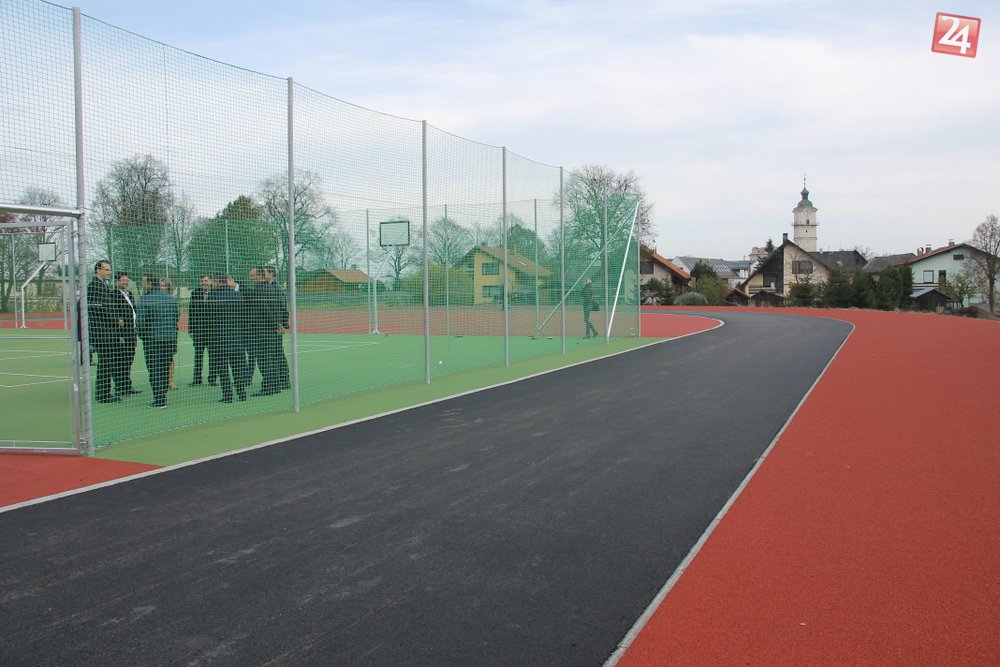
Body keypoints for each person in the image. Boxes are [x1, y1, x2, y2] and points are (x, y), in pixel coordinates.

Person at [136, 274, 179, 409]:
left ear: (149, 284)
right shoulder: (170, 298)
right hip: (169, 339)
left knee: (154, 369)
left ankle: (159, 399)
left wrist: (143, 336)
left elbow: (140, 322)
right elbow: (175, 318)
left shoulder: (145, 299)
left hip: (153, 340)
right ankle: (162, 395)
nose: (142, 284)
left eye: (143, 282)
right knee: (164, 368)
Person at [207, 273, 248, 403]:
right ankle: (241, 393)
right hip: (236, 337)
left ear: (217, 281)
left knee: (222, 369)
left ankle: (227, 395)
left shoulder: (212, 296)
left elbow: (209, 318)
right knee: (237, 368)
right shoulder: (237, 295)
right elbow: (243, 316)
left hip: (219, 338)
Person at [86, 259, 122, 403]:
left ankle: (105, 393)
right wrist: (115, 320)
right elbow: (98, 309)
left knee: (108, 363)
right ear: (98, 270)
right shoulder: (94, 286)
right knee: (105, 363)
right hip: (102, 332)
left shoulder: (103, 285)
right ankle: (103, 395)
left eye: (110, 269)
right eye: (107, 270)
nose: (109, 272)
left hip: (106, 331)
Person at [110, 271, 141, 395]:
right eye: (123, 280)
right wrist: (119, 335)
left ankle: (127, 386)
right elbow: (114, 315)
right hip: (122, 334)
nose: (125, 282)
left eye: (127, 281)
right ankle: (120, 387)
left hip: (131, 332)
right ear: (117, 281)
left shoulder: (130, 294)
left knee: (128, 359)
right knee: (120, 360)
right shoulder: (113, 295)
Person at [187, 274, 215, 386]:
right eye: (202, 281)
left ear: (210, 281)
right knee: (198, 356)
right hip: (199, 331)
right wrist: (190, 329)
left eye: (206, 281)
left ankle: (212, 379)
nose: (204, 283)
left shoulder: (215, 293)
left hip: (212, 331)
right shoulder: (195, 293)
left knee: (213, 356)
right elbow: (191, 311)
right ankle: (197, 379)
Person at [159, 277, 179, 389]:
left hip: (170, 334)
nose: (162, 288)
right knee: (159, 358)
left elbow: (176, 317)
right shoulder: (154, 300)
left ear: (168, 287)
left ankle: (170, 381)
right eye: (160, 286)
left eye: (164, 286)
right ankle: (161, 381)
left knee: (170, 358)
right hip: (158, 334)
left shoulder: (172, 300)